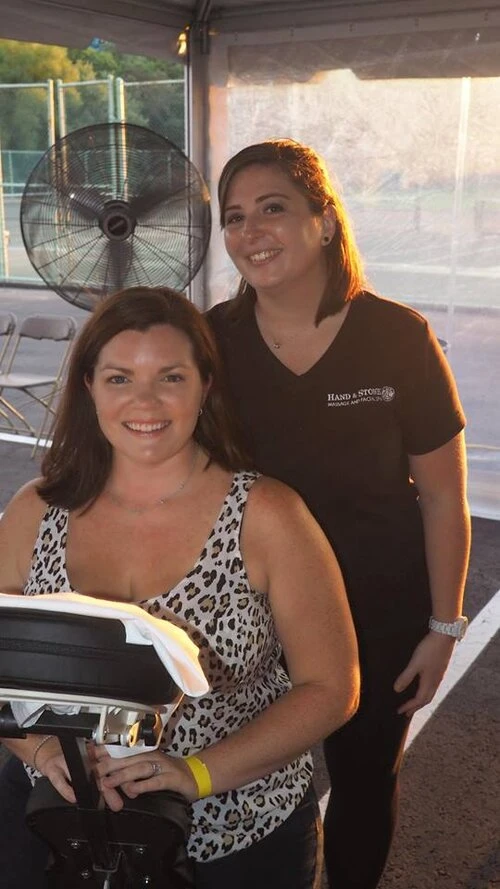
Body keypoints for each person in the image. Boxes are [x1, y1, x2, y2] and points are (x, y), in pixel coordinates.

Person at [0, 285, 359, 889]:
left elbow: (331, 687)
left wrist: (194, 774)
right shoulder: (36, 510)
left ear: (205, 387)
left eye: (170, 377)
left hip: (236, 832)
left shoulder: (267, 514)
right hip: (58, 829)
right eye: (119, 378)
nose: (145, 401)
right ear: (89, 386)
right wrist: (37, 752)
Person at [207, 138, 471, 889]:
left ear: (324, 222)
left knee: (362, 781)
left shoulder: (398, 336)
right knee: (245, 781)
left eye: (273, 209)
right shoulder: (214, 341)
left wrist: (444, 627)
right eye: (234, 217)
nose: (250, 232)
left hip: (377, 610)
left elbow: (446, 496)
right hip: (249, 611)